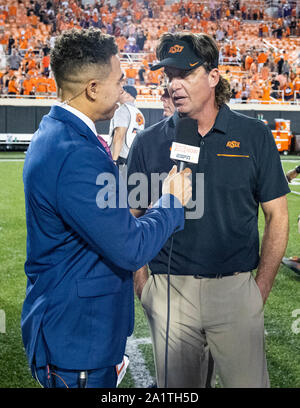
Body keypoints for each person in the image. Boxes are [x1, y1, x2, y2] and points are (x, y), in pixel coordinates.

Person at [21, 28, 192, 389]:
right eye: (119, 80)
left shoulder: (59, 133)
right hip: (78, 340)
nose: (123, 89)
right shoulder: (75, 152)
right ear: (93, 88)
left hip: (72, 328)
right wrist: (171, 202)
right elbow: (130, 248)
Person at [127, 31, 290, 388]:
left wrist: (258, 289)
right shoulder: (148, 141)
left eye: (184, 74)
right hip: (169, 292)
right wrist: (145, 289)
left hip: (235, 290)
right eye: (169, 77)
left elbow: (278, 215)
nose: (174, 85)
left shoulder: (254, 135)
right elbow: (131, 220)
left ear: (213, 77)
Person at [108, 85, 145, 166]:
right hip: (133, 156)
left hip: (120, 158)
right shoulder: (139, 113)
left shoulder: (122, 110)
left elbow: (119, 136)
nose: (118, 93)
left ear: (127, 95)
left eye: (121, 92)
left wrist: (114, 160)